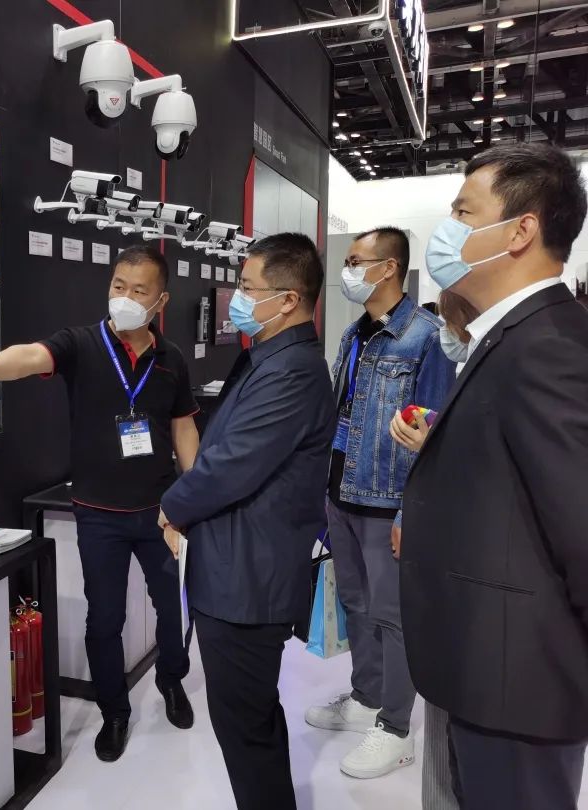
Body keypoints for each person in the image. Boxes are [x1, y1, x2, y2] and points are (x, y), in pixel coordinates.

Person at [0, 245, 200, 762]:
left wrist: (195, 496)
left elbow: (183, 427)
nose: (124, 297)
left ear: (160, 301)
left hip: (160, 512)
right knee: (105, 618)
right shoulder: (81, 344)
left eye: (139, 290)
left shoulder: (172, 361)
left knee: (172, 606)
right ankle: (114, 712)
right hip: (98, 514)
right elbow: (29, 357)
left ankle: (171, 679)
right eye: (118, 286)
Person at [400, 143, 588, 810]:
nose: (446, 230)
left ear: (520, 230)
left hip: (520, 688)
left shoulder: (550, 347)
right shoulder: (514, 337)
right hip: (486, 671)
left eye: (463, 212)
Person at [158, 233, 334, 809]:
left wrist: (173, 505)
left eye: (247, 287)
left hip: (248, 584)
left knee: (245, 726)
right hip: (236, 569)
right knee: (248, 719)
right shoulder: (268, 357)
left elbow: (232, 464)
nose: (237, 297)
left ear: (288, 300)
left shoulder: (293, 371)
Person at [308, 227, 455, 779]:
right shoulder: (355, 334)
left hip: (386, 500)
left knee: (393, 617)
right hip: (341, 492)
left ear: (389, 267)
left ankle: (395, 728)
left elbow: (432, 437)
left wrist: (407, 512)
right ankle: (366, 697)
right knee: (356, 603)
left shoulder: (426, 338)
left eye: (356, 260)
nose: (347, 271)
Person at [387, 290, 478, 810]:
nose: (443, 328)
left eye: (448, 318)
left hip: (478, 579)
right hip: (449, 573)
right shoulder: (469, 366)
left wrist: (434, 448)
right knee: (444, 744)